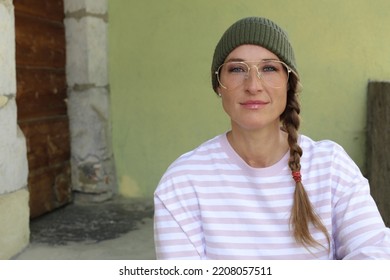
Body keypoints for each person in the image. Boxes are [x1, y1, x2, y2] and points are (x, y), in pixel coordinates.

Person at [153, 16, 390, 259]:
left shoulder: (331, 167)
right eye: (237, 69)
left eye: (269, 68)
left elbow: (377, 256)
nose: (253, 85)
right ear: (218, 85)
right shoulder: (182, 182)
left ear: (289, 82)